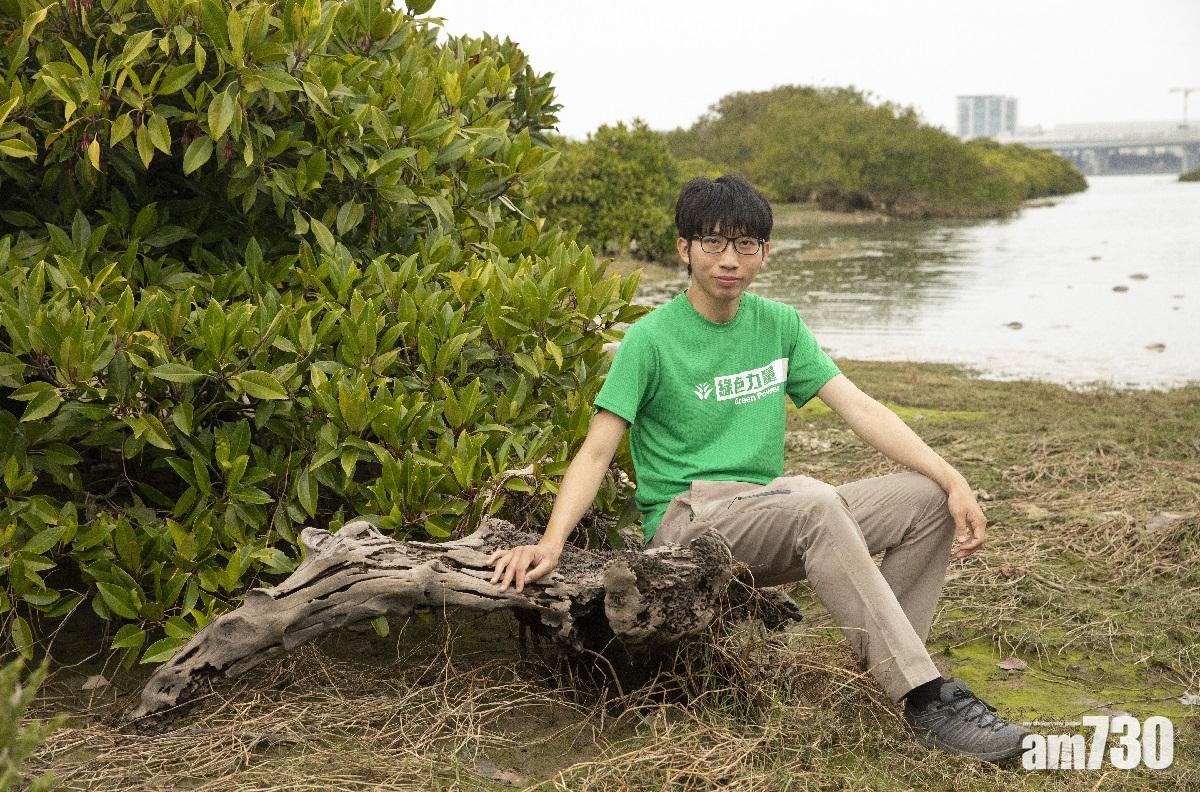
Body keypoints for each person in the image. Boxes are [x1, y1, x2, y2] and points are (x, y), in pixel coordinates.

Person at [488, 175, 1028, 763]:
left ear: (765, 252)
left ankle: (885, 668)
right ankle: (924, 699)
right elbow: (596, 452)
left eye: (746, 244)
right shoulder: (650, 340)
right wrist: (551, 542)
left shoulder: (779, 325)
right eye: (714, 243)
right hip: (690, 521)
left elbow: (861, 409)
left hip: (770, 507)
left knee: (925, 500)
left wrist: (952, 478)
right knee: (815, 502)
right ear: (684, 248)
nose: (730, 259)